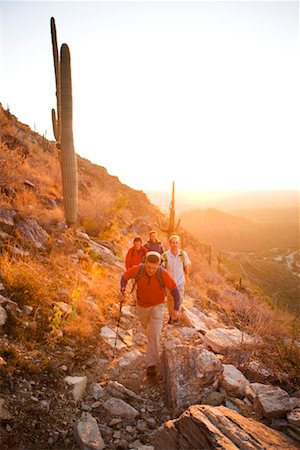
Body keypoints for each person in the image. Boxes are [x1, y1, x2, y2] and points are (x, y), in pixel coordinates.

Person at [120, 251, 180, 377]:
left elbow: (175, 290)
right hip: (141, 306)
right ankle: (153, 352)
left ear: (158, 265)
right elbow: (124, 277)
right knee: (148, 330)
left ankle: (151, 364)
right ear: (145, 263)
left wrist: (176, 308)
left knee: (154, 334)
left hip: (158, 306)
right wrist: (122, 290)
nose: (151, 270)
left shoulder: (162, 274)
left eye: (154, 268)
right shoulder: (138, 270)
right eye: (149, 267)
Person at [162, 234, 192, 323]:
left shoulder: (183, 254)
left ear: (179, 244)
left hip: (180, 281)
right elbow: (162, 269)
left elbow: (187, 264)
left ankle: (176, 316)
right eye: (173, 243)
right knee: (170, 299)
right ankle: (171, 316)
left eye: (176, 243)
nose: (175, 244)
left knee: (179, 299)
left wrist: (187, 275)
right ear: (170, 244)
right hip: (169, 282)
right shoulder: (164, 256)